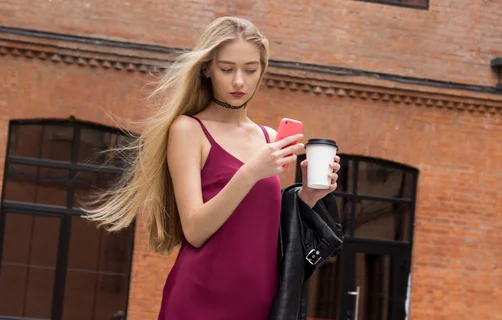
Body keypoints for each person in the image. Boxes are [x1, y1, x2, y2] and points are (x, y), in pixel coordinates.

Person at [83, 16, 341, 319]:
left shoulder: (270, 138)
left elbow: (270, 227)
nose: (239, 81)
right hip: (199, 298)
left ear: (262, 71)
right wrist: (250, 172)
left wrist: (308, 196)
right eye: (227, 69)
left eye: (250, 69)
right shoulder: (188, 130)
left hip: (261, 301)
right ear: (206, 69)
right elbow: (194, 230)